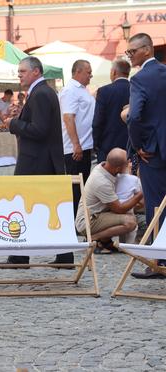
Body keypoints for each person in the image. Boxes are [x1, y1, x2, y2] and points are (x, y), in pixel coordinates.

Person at [1, 56, 69, 266]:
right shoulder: (42, 92)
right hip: (41, 160)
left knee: (26, 208)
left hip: (37, 162)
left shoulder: (40, 93)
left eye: (22, 71)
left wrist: (14, 124)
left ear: (36, 72)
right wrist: (20, 119)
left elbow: (39, 130)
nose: (19, 75)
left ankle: (22, 256)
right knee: (49, 208)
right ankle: (62, 256)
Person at [125, 33, 166, 279]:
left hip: (153, 152)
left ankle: (160, 261)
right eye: (128, 53)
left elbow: (134, 117)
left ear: (147, 50)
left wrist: (138, 145)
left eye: (133, 51)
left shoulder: (140, 79)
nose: (130, 56)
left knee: (155, 206)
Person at [74, 148, 142, 253]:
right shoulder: (101, 181)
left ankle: (105, 241)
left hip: (97, 214)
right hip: (88, 221)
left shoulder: (103, 167)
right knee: (130, 222)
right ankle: (93, 238)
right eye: (126, 163)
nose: (129, 164)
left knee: (128, 214)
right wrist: (141, 194)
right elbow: (119, 209)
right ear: (118, 168)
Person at [60, 59, 95, 217]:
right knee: (76, 190)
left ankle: (80, 221)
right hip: (75, 149)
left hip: (84, 146)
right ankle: (74, 223)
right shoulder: (71, 90)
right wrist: (76, 145)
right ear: (78, 71)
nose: (91, 75)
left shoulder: (82, 89)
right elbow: (68, 117)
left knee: (82, 188)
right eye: (88, 72)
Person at [92, 58, 131, 162]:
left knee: (106, 177)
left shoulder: (104, 91)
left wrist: (95, 143)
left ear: (114, 72)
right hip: (131, 145)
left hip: (107, 146)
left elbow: (98, 121)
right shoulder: (135, 89)